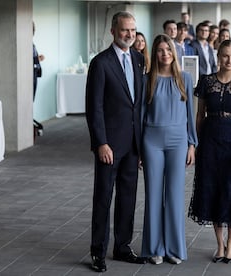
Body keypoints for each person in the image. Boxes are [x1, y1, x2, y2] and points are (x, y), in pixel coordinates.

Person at [85, 11, 146, 273]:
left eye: (132, 30)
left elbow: (139, 105)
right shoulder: (101, 63)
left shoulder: (139, 59)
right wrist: (101, 143)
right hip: (109, 145)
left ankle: (122, 247)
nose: (129, 34)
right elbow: (94, 107)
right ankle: (98, 252)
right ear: (113, 31)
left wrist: (142, 145)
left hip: (133, 145)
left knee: (128, 199)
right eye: (124, 30)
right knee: (103, 198)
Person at [188, 40, 231, 264]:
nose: (230, 60)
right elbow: (199, 116)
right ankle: (219, 244)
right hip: (210, 143)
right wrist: (195, 143)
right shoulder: (207, 82)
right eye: (226, 56)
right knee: (212, 190)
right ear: (218, 57)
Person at [141, 34, 197, 265]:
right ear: (154, 54)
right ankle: (155, 248)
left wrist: (192, 144)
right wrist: (138, 149)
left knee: (174, 196)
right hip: (151, 141)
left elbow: (191, 115)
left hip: (178, 141)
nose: (165, 54)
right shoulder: (147, 80)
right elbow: (141, 116)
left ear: (174, 53)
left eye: (168, 50)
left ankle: (174, 248)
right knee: (153, 196)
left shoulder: (185, 78)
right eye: (160, 50)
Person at [32, 21, 45, 137]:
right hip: (29, 77)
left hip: (34, 75)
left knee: (31, 100)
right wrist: (37, 59)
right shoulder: (27, 44)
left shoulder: (32, 44)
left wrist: (37, 59)